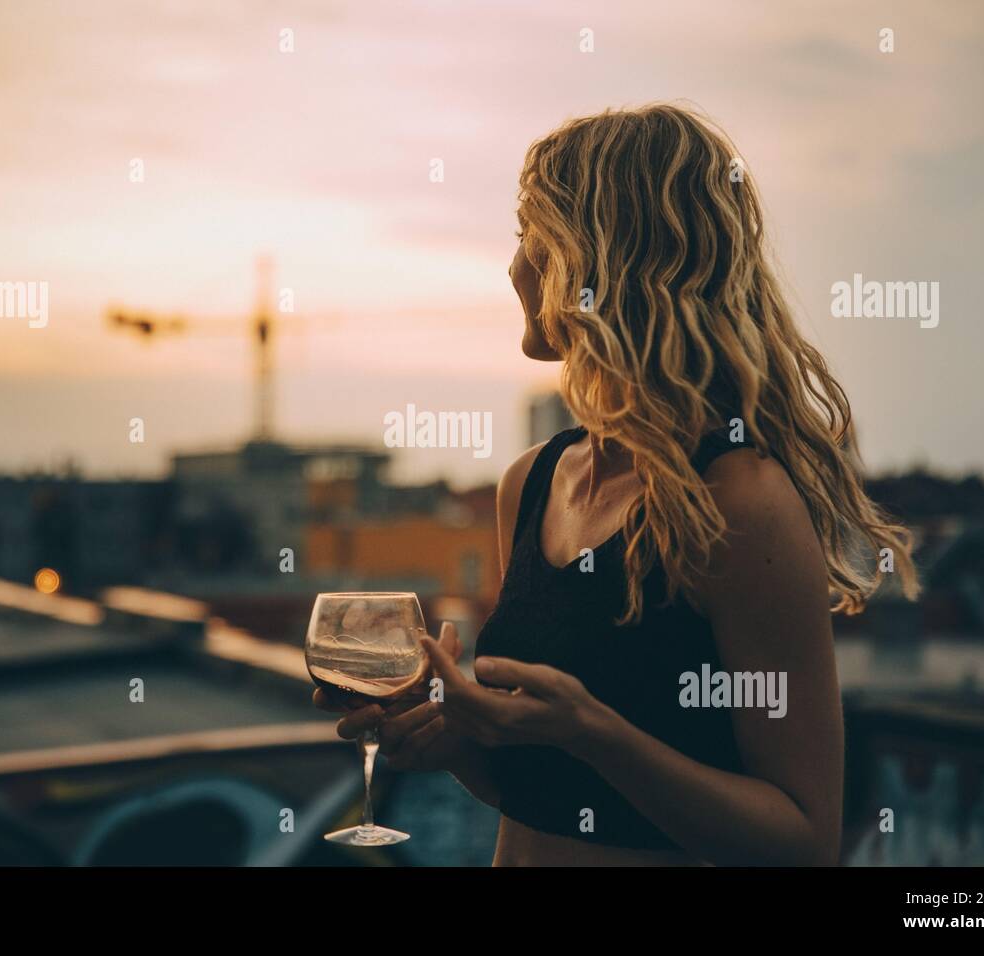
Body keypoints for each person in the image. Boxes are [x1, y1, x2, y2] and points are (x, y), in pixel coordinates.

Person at [314, 103, 917, 866]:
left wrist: (594, 732)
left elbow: (802, 842)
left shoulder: (738, 501)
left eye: (530, 237)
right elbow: (548, 798)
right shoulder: (530, 484)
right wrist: (463, 745)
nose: (514, 267)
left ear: (598, 255)